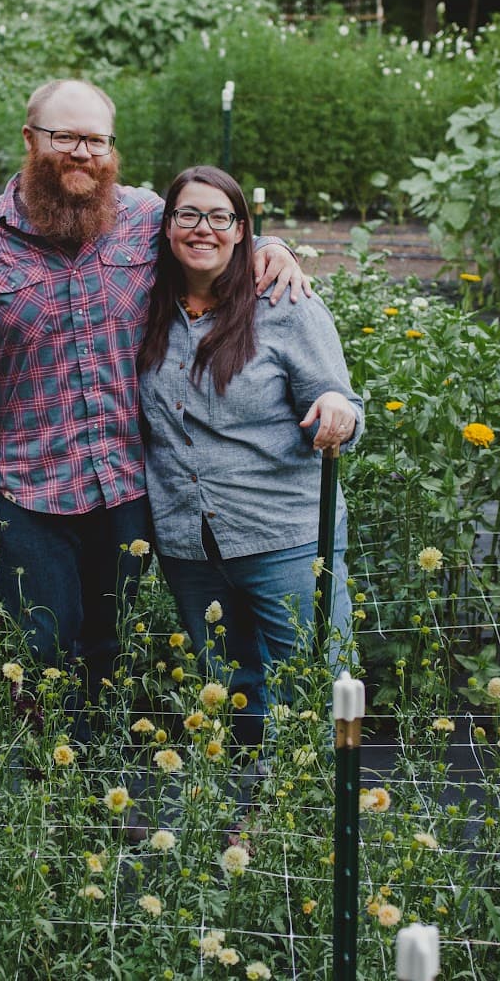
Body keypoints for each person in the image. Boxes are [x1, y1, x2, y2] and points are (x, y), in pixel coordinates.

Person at [0, 80, 309, 730]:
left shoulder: (142, 218)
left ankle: (99, 767)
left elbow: (211, 238)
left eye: (97, 140)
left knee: (110, 642)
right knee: (44, 645)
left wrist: (268, 248)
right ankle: (51, 774)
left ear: (113, 149)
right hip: (30, 489)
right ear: (30, 140)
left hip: (127, 484)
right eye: (66, 137)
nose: (82, 153)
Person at [137, 165, 362, 753]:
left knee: (319, 678)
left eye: (220, 217)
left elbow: (339, 400)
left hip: (283, 533)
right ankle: (250, 811)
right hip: (190, 541)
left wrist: (337, 409)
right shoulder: (146, 307)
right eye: (188, 214)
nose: (202, 228)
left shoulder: (285, 304)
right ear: (165, 227)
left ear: (242, 230)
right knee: (231, 687)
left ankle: (324, 810)